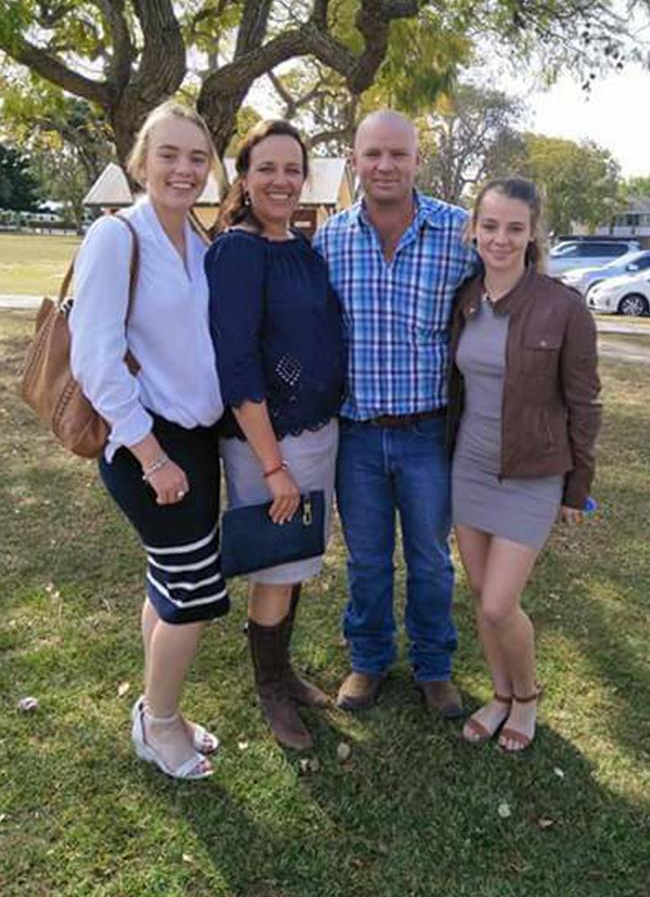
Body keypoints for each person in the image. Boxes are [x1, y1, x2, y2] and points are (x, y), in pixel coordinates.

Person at [70, 101, 228, 780]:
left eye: (197, 158)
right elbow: (95, 359)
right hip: (147, 446)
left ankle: (160, 710)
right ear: (141, 161)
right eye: (169, 155)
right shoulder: (116, 237)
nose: (184, 169)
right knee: (195, 592)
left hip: (197, 442)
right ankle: (159, 725)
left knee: (170, 581)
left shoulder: (198, 240)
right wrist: (151, 454)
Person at [313, 109, 475, 716]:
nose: (384, 166)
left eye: (397, 155)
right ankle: (369, 660)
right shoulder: (330, 239)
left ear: (416, 160)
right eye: (372, 154)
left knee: (432, 559)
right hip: (356, 435)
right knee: (368, 559)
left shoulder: (460, 234)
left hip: (429, 433)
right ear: (354, 159)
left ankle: (434, 665)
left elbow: (514, 284)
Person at [205, 119, 345, 751]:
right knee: (276, 562)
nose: (282, 180)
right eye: (267, 168)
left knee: (295, 563)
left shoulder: (302, 244)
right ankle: (268, 687)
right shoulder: (237, 250)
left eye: (293, 168)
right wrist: (271, 465)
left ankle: (283, 672)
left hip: (316, 433)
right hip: (270, 440)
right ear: (244, 176)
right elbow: (235, 364)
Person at [448, 177, 601, 751]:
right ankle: (500, 694)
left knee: (498, 602)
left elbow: (585, 404)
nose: (501, 239)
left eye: (514, 228)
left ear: (533, 232)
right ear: (475, 230)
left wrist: (576, 488)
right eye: (490, 226)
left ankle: (528, 696)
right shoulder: (465, 298)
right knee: (482, 603)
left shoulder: (563, 307)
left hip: (534, 474)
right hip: (469, 468)